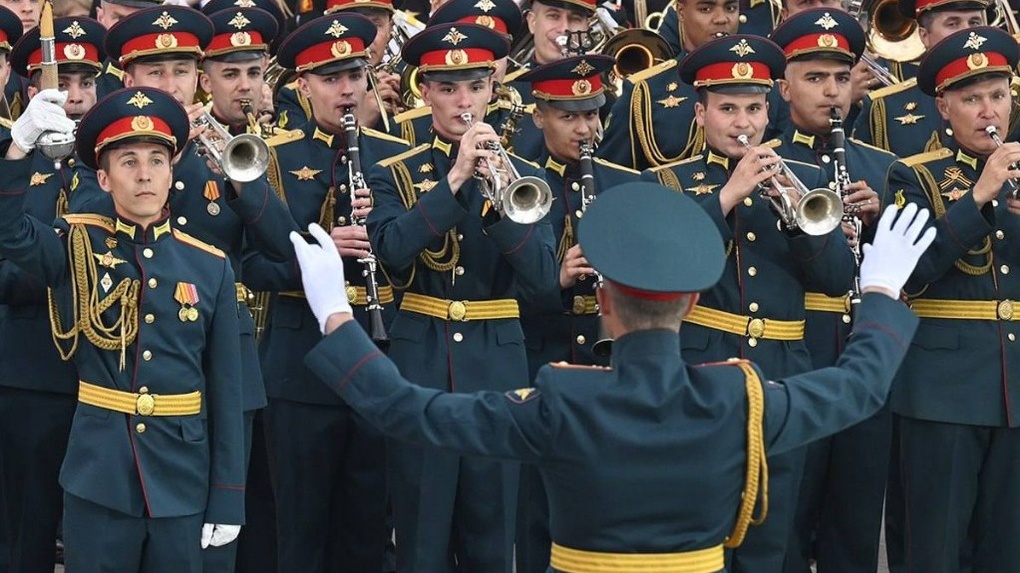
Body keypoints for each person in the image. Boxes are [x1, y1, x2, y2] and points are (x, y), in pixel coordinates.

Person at [292, 180, 934, 573]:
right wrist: (878, 290)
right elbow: (860, 386)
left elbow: (409, 409)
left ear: (603, 302)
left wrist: (336, 315)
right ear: (690, 304)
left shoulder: (562, 398)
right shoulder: (739, 398)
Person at [0, 85, 245, 573]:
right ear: (105, 178)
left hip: (182, 476)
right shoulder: (75, 243)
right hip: (100, 475)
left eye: (156, 159)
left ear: (172, 171)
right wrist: (18, 149)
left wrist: (229, 497)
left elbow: (226, 392)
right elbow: (9, 232)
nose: (144, 174)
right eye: (128, 161)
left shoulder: (209, 266)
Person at [641, 33, 856, 572]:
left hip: (782, 372)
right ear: (700, 113)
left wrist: (801, 222)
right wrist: (729, 195)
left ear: (770, 111)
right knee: (697, 525)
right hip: (701, 366)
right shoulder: (667, 183)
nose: (743, 122)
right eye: (728, 108)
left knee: (771, 530)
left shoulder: (806, 181)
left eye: (755, 108)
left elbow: (835, 279)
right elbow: (662, 272)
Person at [365, 20, 557, 572]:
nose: (463, 101)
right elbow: (391, 252)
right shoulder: (392, 173)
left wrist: (497, 198)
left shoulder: (525, 175)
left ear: (493, 89)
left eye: (474, 86)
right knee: (420, 534)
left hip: (497, 362)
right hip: (419, 357)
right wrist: (453, 182)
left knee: (494, 533)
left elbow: (543, 278)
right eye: (448, 88)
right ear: (425, 91)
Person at [243, 12, 410, 573]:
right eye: (331, 78)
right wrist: (316, 257)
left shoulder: (396, 153)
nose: (346, 90)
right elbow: (251, 266)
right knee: (300, 526)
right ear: (302, 86)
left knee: (368, 525)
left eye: (354, 76)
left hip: (379, 352)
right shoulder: (275, 157)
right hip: (299, 362)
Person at [887, 25, 1020, 573]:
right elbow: (908, 276)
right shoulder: (913, 175)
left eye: (998, 95)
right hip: (942, 393)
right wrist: (979, 197)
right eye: (971, 99)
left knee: (1007, 551)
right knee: (935, 550)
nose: (988, 111)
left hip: (1016, 390)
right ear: (943, 107)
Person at [768, 9, 896, 573]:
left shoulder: (885, 166)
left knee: (856, 516)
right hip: (798, 349)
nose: (830, 92)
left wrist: (878, 220)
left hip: (862, 350)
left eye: (841, 78)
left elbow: (913, 270)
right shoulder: (765, 163)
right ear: (784, 86)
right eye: (814, 78)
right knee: (789, 513)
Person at [513, 53, 639, 573]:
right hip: (541, 360)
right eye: (568, 116)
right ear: (539, 115)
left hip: (612, 368)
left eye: (592, 114)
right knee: (537, 512)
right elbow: (498, 294)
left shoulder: (630, 184)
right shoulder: (515, 182)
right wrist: (557, 280)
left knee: (611, 512)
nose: (585, 128)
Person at [0, 15, 104, 573]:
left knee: (98, 532)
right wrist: (53, 270)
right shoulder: (8, 151)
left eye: (86, 82)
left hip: (106, 372)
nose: (75, 96)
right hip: (29, 368)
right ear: (29, 88)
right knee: (25, 530)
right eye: (59, 83)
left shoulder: (116, 157)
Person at [852, 0, 990, 157]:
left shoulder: (1015, 98)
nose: (968, 33)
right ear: (924, 36)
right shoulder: (883, 108)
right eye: (953, 24)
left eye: (974, 22)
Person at [275, 0, 403, 130]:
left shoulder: (404, 82)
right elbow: (296, 149)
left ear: (390, 29)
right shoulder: (295, 96)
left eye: (376, 25)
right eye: (350, 26)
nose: (366, 37)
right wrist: (361, 122)